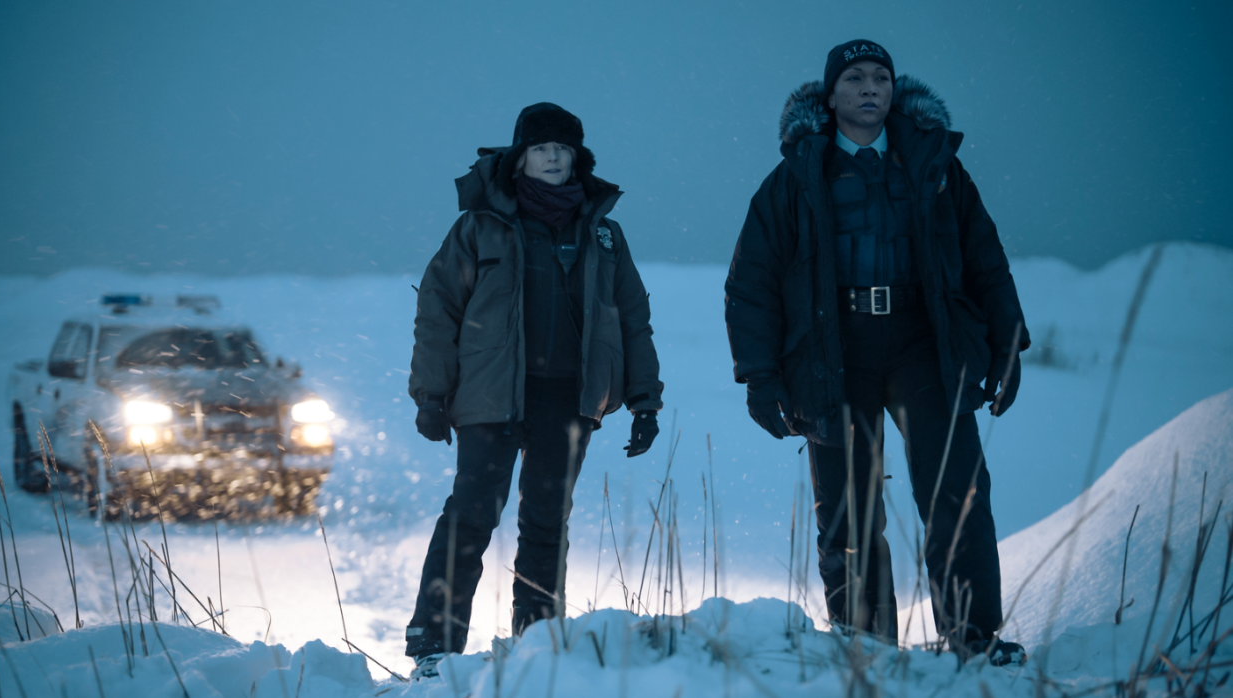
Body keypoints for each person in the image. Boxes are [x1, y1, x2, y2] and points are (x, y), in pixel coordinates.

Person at [724, 40, 1030, 666]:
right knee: (847, 506)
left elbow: (984, 257)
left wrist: (1007, 343)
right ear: (830, 94)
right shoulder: (796, 177)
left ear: (894, 90)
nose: (870, 87)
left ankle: (975, 641)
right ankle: (869, 648)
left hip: (924, 343)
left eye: (881, 77)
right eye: (856, 77)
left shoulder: (934, 165)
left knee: (957, 490)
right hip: (836, 350)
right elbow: (752, 281)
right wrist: (760, 375)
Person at [406, 102, 664, 677]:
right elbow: (438, 309)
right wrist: (430, 394)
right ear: (520, 157)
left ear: (577, 158)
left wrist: (644, 398)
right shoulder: (481, 225)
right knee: (471, 515)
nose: (553, 157)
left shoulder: (603, 234)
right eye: (542, 147)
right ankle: (432, 648)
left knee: (547, 521)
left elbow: (631, 317)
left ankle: (537, 650)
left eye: (563, 148)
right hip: (490, 394)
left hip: (569, 397)